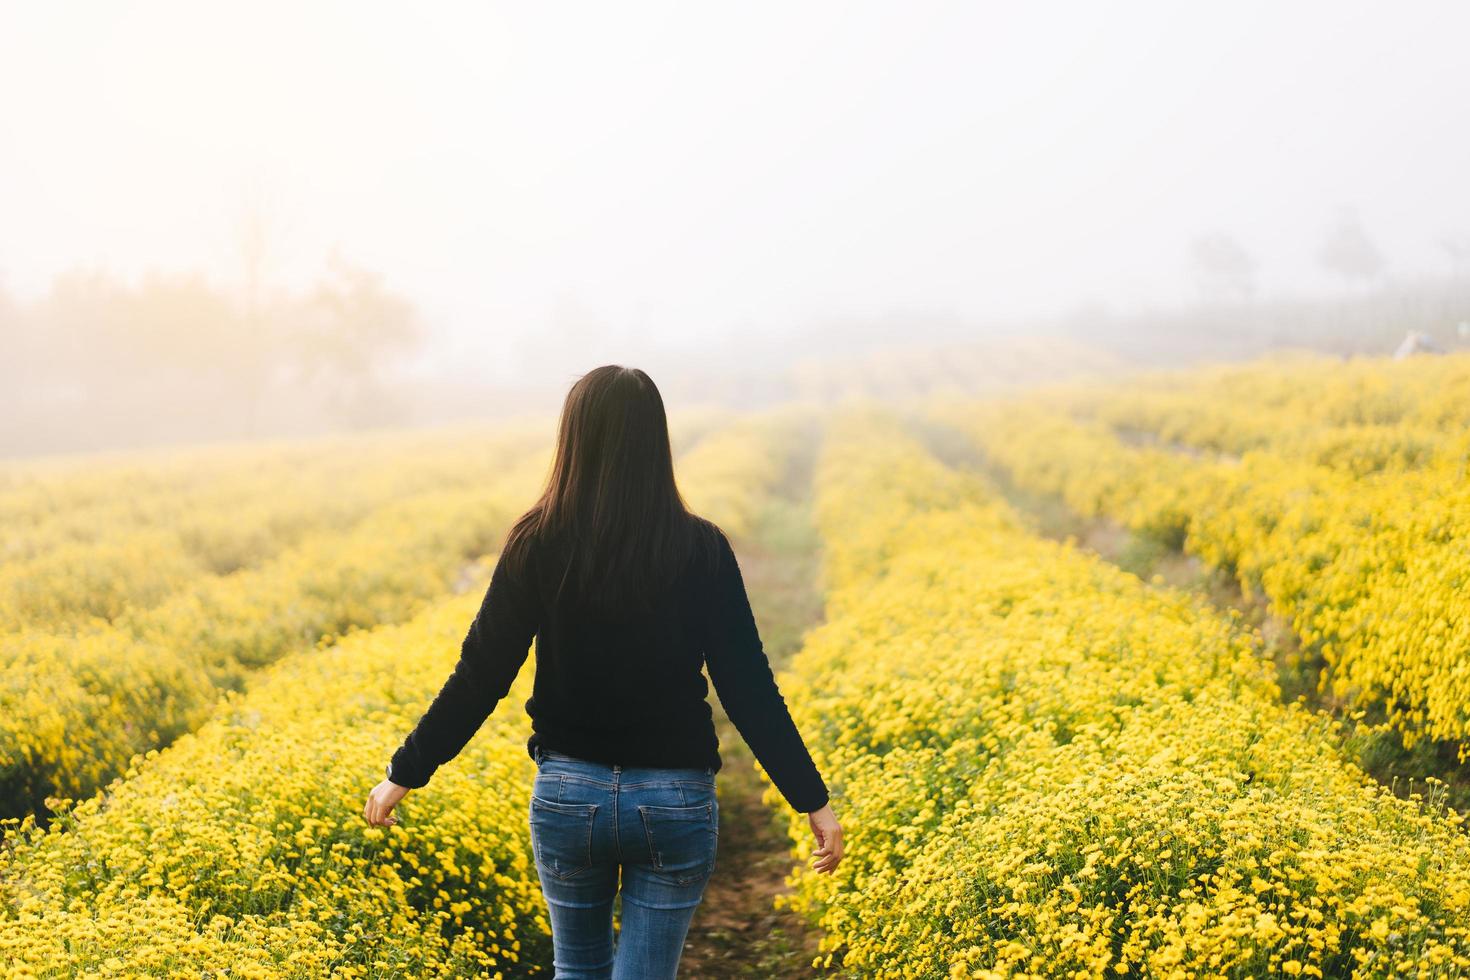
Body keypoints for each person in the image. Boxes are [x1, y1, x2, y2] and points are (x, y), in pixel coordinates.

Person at [363, 365, 843, 979]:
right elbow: (748, 686)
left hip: (570, 796)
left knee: (578, 970)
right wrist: (812, 800)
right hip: (674, 800)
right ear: (656, 442)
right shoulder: (700, 548)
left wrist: (405, 772)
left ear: (574, 438)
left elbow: (481, 674)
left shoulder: (536, 543)